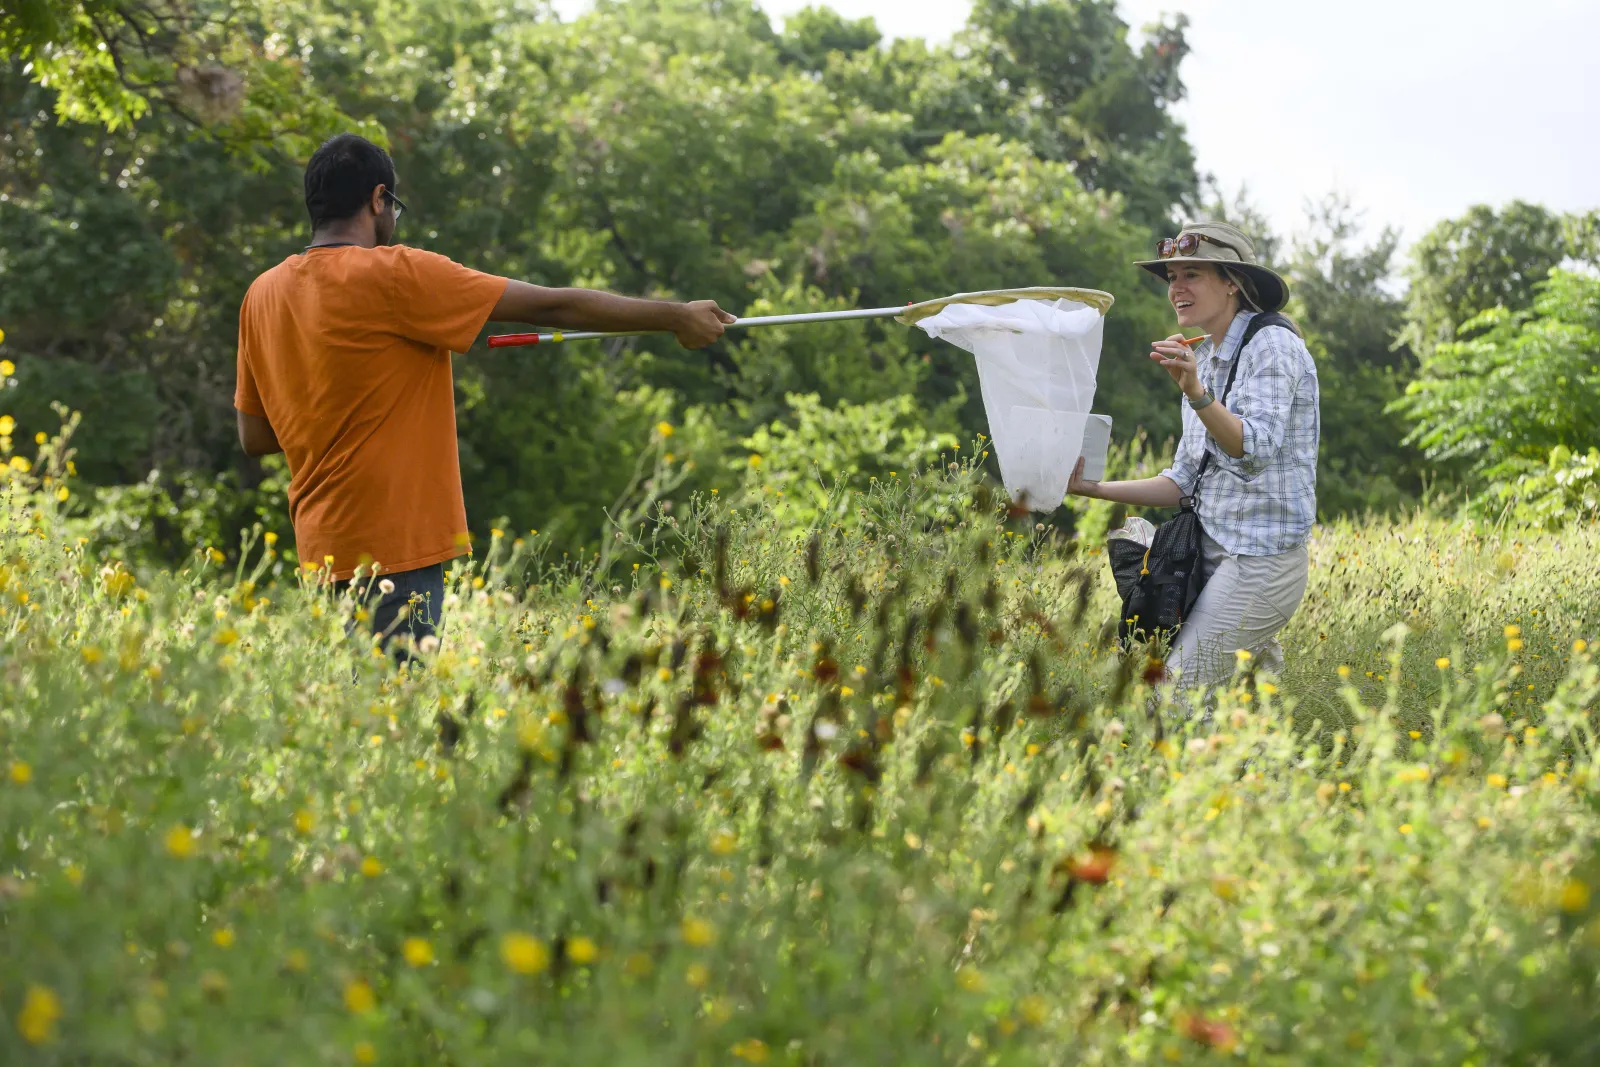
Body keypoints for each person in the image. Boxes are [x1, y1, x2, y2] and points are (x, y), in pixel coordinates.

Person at [235, 133, 734, 648]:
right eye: (393, 208)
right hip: (394, 545)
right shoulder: (396, 273)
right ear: (377, 199)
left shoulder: (262, 294)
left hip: (321, 547)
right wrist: (674, 316)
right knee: (399, 710)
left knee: (358, 716)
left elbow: (256, 436)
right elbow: (552, 307)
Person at [1067, 220, 1320, 688]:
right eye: (1172, 277)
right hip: (1208, 553)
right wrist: (1090, 488)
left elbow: (1254, 450)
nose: (1176, 288)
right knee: (1245, 714)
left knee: (1176, 697)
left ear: (1231, 283)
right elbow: (1185, 480)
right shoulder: (1202, 358)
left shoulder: (1273, 344)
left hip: (1257, 561)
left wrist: (1197, 394)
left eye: (1192, 275)